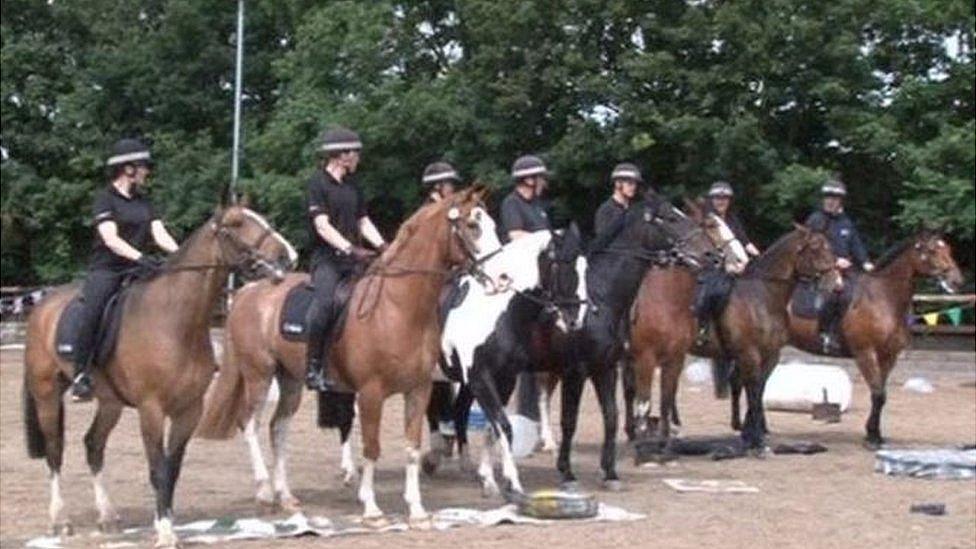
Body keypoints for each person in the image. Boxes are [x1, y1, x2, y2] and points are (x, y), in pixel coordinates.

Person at [70, 138, 180, 401]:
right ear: (128, 169)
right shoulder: (105, 200)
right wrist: (140, 257)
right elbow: (111, 239)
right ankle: (81, 374)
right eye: (143, 166)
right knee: (93, 312)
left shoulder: (145, 201)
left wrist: (180, 256)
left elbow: (159, 233)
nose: (147, 171)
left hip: (138, 270)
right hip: (107, 269)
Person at [304, 127, 388, 392]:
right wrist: (349, 248)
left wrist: (384, 245)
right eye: (355, 153)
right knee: (325, 305)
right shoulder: (317, 183)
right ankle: (314, 367)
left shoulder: (353, 186)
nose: (358, 158)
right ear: (341, 155)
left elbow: (363, 221)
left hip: (354, 259)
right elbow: (322, 226)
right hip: (327, 259)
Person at [805, 178, 873, 354]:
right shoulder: (816, 220)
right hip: (822, 269)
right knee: (838, 292)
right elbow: (812, 249)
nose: (830, 201)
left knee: (866, 290)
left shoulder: (846, 222)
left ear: (840, 201)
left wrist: (866, 263)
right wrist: (835, 262)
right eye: (828, 197)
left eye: (834, 198)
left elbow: (856, 245)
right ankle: (827, 333)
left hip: (847, 268)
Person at [499, 155, 551, 242]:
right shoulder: (511, 203)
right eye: (540, 178)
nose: (544, 183)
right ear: (529, 180)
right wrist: (547, 239)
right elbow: (515, 234)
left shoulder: (536, 203)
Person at [704, 181, 760, 257]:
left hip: (736, 260)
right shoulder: (706, 222)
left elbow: (745, 242)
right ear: (712, 200)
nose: (721, 202)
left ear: (729, 201)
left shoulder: (733, 220)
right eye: (717, 198)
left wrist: (758, 256)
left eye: (724, 198)